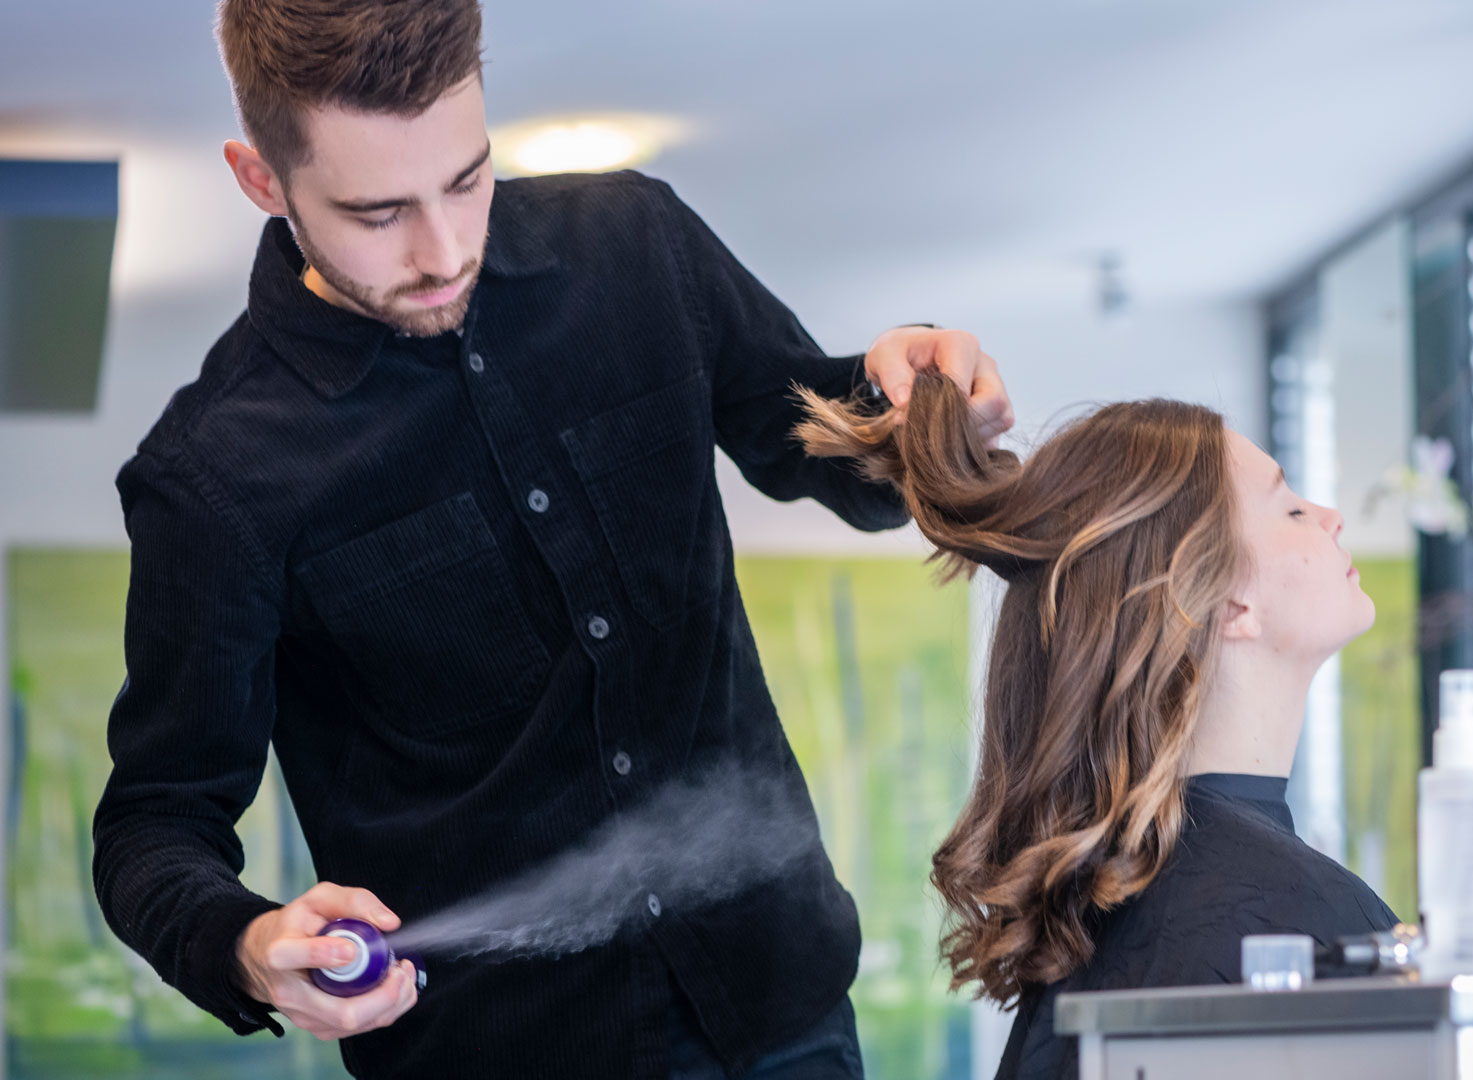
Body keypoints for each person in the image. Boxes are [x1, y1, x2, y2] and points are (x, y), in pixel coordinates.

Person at [90, 3, 1013, 1078]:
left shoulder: (639, 245)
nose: (443, 252)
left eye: (467, 179)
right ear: (261, 180)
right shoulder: (213, 478)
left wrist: (906, 400)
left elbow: (824, 446)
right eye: (377, 211)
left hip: (783, 1014)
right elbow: (153, 825)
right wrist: (248, 946)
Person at [797, 371, 1398, 1079]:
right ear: (1227, 601)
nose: (1330, 516)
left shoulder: (1124, 899)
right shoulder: (1287, 914)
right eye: (1291, 511)